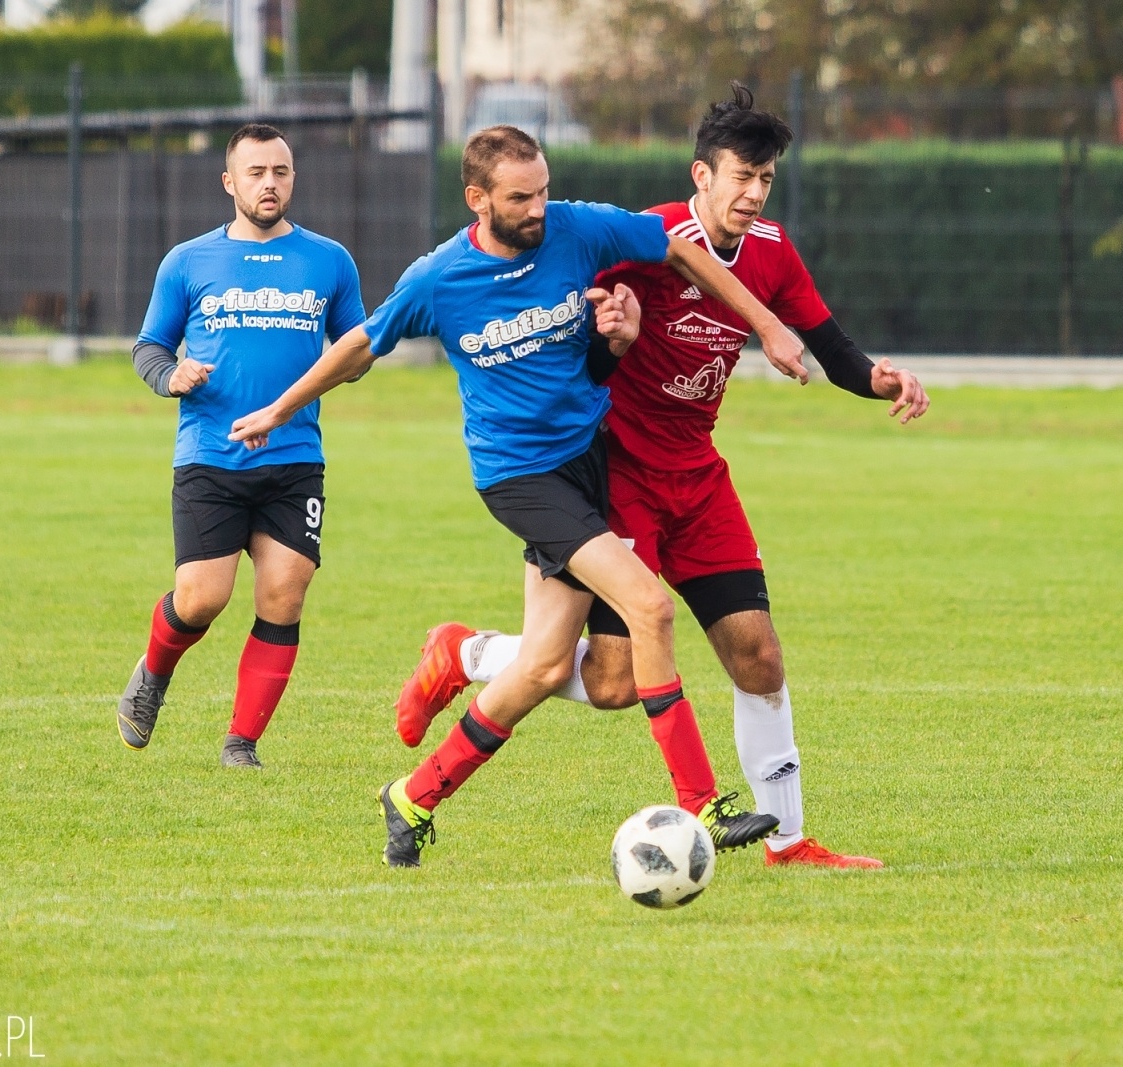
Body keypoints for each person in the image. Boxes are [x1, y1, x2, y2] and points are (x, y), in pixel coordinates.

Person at [229, 124, 811, 867]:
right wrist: (281, 408)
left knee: (557, 669)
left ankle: (414, 794)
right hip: (521, 479)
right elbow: (360, 346)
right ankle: (702, 802)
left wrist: (762, 324)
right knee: (651, 607)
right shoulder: (440, 278)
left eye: (542, 189)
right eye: (519, 197)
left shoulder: (573, 226)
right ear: (478, 199)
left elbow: (674, 246)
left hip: (590, 463)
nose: (538, 207)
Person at [394, 85, 930, 868]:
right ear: (701, 176)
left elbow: (828, 344)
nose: (752, 194)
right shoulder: (640, 241)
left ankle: (788, 840)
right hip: (619, 477)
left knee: (760, 655)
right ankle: (473, 655)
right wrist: (612, 337)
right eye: (740, 177)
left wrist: (879, 379)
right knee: (609, 681)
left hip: (700, 480)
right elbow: (567, 350)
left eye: (766, 180)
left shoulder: (774, 252)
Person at [116, 122, 365, 769]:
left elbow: (356, 352)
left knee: (285, 591)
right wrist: (170, 375)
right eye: (255, 172)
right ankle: (154, 672)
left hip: (293, 459)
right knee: (202, 597)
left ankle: (241, 743)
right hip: (210, 455)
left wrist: (343, 363)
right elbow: (148, 346)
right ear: (230, 182)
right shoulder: (188, 260)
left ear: (293, 179)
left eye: (280, 171)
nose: (269, 183)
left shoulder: (329, 261)